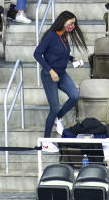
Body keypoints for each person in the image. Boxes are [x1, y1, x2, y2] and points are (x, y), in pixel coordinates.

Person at [35, 11, 87, 153]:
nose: (73, 26)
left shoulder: (64, 36)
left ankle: (57, 119)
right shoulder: (51, 36)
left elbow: (61, 52)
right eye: (71, 23)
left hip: (62, 74)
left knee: (75, 95)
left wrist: (72, 59)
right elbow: (37, 54)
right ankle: (45, 141)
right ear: (63, 22)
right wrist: (50, 71)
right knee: (54, 107)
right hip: (49, 75)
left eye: (74, 23)